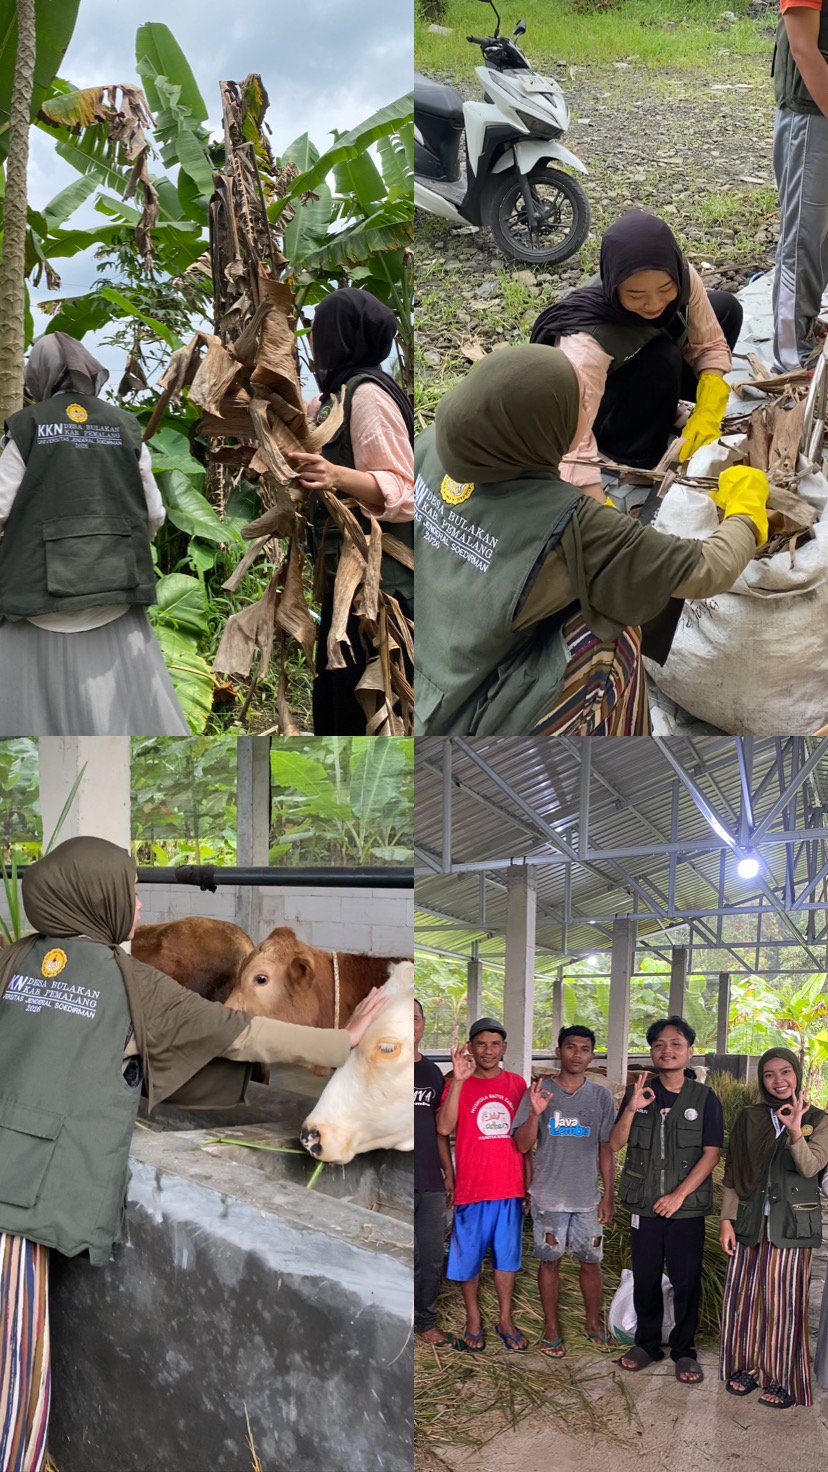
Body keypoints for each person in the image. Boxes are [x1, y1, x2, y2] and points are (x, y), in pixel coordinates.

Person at [0, 835, 390, 1472]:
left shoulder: (15, 960)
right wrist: (340, 1040)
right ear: (96, 898)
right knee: (14, 1357)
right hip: (22, 1201)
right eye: (129, 893)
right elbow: (241, 1034)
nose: (139, 902)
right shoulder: (129, 980)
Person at [413, 344, 769, 737]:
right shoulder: (575, 523)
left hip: (423, 671)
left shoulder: (429, 446)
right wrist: (746, 510)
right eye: (575, 405)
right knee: (612, 634)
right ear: (542, 429)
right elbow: (709, 569)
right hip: (470, 711)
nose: (586, 412)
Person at [0, 333, 188, 736]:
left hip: (38, 597)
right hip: (115, 591)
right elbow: (154, 513)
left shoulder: (25, 427)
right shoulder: (124, 426)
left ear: (39, 375)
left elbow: (0, 508)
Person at [530, 209, 743, 495]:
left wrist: (708, 410)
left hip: (644, 367)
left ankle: (667, 409)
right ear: (614, 285)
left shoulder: (683, 277)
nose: (654, 304)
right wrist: (595, 503)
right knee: (662, 357)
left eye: (665, 289)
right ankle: (633, 450)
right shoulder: (585, 339)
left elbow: (711, 344)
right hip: (598, 410)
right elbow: (572, 435)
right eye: (635, 296)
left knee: (726, 308)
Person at [286, 287, 414, 735]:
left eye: (321, 332)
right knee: (340, 699)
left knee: (371, 699)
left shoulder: (367, 397)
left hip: (381, 585)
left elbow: (404, 489)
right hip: (345, 584)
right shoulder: (328, 400)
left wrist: (336, 476)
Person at [607, 1016, 723, 1385]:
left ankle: (684, 1350)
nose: (667, 1050)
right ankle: (647, 1344)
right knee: (645, 1276)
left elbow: (711, 1154)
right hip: (643, 1203)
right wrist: (631, 1106)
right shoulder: (639, 1091)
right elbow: (614, 1144)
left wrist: (678, 1195)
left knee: (686, 1278)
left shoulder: (705, 1099)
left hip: (685, 1207)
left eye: (675, 1044)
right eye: (659, 1044)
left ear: (689, 1051)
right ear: (652, 1051)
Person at [720, 1047, 828, 1408]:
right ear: (761, 1079)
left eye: (785, 1072)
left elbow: (810, 1168)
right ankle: (748, 1368)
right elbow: (734, 1170)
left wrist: (795, 1130)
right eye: (769, 1074)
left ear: (796, 1074)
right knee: (746, 1299)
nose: (778, 1080)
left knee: (782, 1304)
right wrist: (725, 1221)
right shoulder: (749, 1117)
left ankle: (782, 1377)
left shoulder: (820, 1119)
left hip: (792, 1225)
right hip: (750, 1221)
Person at [512, 1025, 616, 1357]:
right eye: (570, 1048)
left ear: (592, 1055)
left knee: (590, 1261)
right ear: (559, 1051)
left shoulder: (599, 1096)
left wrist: (608, 1194)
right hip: (548, 1196)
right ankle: (552, 1328)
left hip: (587, 1198)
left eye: (584, 1049)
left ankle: (592, 1323)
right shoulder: (540, 1091)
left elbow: (606, 1149)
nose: (577, 1055)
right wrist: (535, 1115)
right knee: (549, 1262)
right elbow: (521, 1145)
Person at [436, 1018, 528, 1352]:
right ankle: (473, 1318)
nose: (488, 1051)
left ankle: (505, 1319)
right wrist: (459, 1081)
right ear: (471, 1048)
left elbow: (526, 1138)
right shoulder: (457, 1084)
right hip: (472, 1187)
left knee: (507, 1260)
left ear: (504, 1048)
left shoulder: (517, 1085)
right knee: (468, 1258)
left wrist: (528, 1184)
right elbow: (444, 1128)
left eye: (494, 1044)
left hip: (509, 1186)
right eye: (481, 1044)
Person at [772, 0, 828, 370]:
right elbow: (803, 47)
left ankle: (807, 327)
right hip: (812, 113)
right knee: (803, 238)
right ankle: (794, 357)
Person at [414, 997, 456, 1347]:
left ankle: (425, 1321)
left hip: (428, 1179)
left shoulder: (431, 1074)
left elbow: (442, 1128)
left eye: (413, 1018)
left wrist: (448, 1172)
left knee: (429, 1254)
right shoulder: (377, 1064)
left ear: (422, 1024)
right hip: (389, 1177)